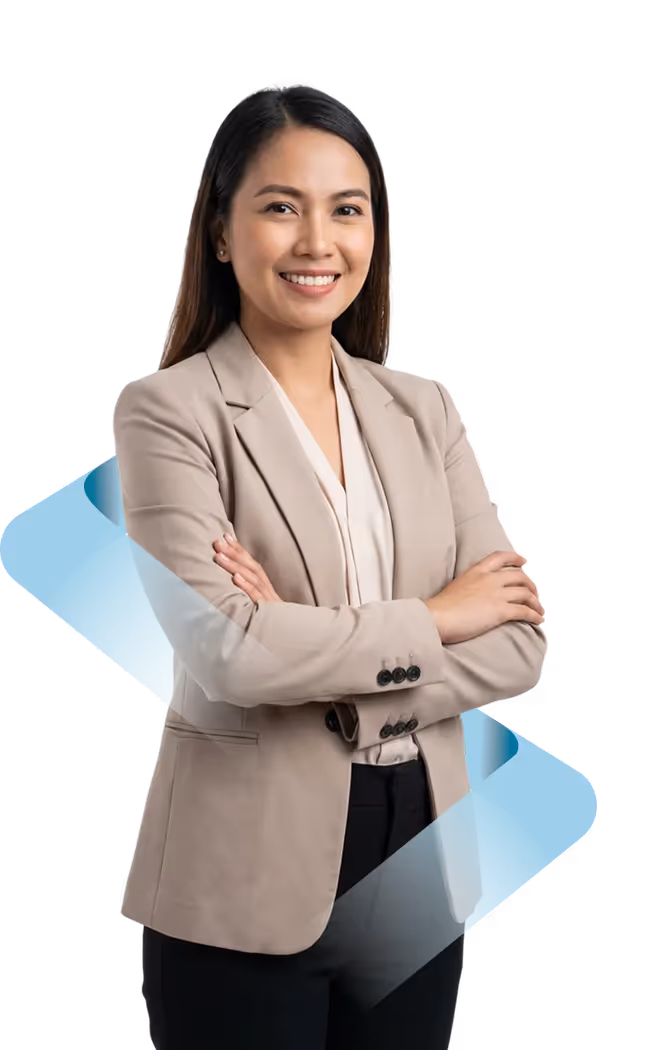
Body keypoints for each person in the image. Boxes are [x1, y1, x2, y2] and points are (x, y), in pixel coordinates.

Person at [113, 81, 548, 1049]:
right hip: (241, 873)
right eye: (280, 207)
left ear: (375, 235)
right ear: (221, 233)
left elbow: (519, 643)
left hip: (419, 854)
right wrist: (435, 616)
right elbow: (228, 654)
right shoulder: (166, 412)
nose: (318, 242)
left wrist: (320, 665)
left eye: (346, 210)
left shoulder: (423, 409)